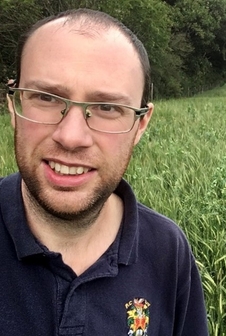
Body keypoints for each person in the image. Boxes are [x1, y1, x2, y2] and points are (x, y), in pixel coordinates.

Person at [0, 8, 208, 335]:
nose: (71, 137)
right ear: (14, 106)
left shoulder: (169, 251)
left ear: (140, 125)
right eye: (45, 97)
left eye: (108, 108)